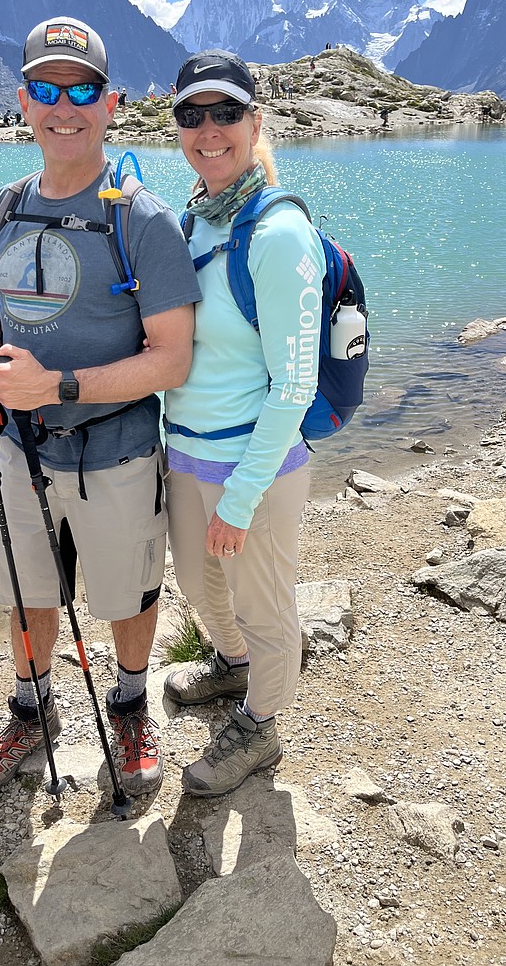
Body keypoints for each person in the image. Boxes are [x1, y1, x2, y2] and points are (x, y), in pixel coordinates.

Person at [0, 16, 201, 800]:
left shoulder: (142, 218)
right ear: (23, 100)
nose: (65, 105)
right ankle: (32, 707)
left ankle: (127, 703)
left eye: (82, 88)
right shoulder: (1, 207)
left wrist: (56, 386)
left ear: (111, 102)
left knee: (128, 590)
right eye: (48, 89)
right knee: (27, 584)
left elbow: (172, 358)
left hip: (114, 448)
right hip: (18, 447)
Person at [162, 50, 323, 797]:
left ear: (256, 123)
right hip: (186, 452)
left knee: (265, 605)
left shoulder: (279, 232)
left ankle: (262, 724)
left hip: (253, 463)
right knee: (197, 582)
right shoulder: (193, 218)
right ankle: (233, 671)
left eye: (225, 112)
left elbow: (295, 383)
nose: (209, 128)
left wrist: (242, 494)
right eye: (191, 115)